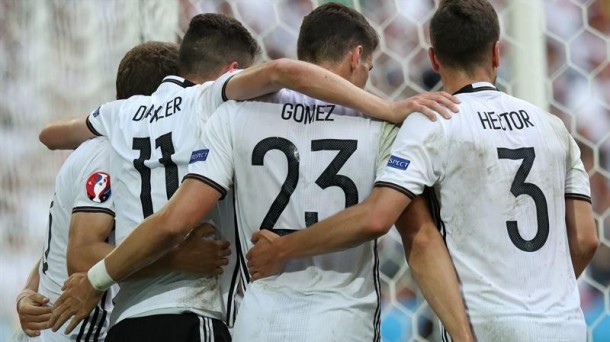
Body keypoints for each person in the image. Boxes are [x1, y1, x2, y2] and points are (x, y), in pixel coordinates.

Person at [42, 11, 461, 342]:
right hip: (336, 319)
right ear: (356, 57)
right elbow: (390, 223)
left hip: (253, 321)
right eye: (368, 65)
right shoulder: (379, 122)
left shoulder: (235, 118)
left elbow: (55, 137)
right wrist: (387, 107)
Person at [246, 0, 599, 341]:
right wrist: (546, 300)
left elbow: (379, 219)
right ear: (496, 53)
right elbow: (585, 239)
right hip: (564, 322)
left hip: (485, 322)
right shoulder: (553, 127)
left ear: (433, 58)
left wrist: (282, 249)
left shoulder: (434, 123)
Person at [15, 41, 227, 341]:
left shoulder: (103, 147)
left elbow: (56, 247)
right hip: (75, 333)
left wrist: (27, 291)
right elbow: (80, 255)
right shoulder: (111, 152)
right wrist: (176, 259)